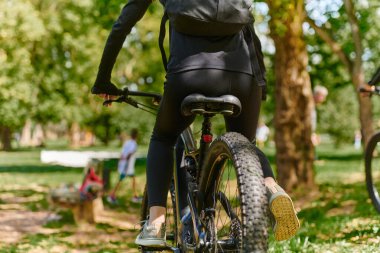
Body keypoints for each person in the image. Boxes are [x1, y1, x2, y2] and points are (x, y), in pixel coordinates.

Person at [91, 0, 300, 247]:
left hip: (188, 75)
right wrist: (260, 86)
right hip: (243, 77)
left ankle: (156, 222)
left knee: (164, 138)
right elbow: (250, 33)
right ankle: (271, 187)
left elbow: (122, 25)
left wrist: (103, 80)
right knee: (248, 144)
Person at [107, 128, 140, 204]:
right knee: (120, 180)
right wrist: (125, 164)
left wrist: (120, 162)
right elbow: (129, 154)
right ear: (136, 135)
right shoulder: (134, 144)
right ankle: (111, 195)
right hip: (127, 167)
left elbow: (122, 154)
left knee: (132, 179)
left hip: (124, 165)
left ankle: (135, 196)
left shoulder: (127, 143)